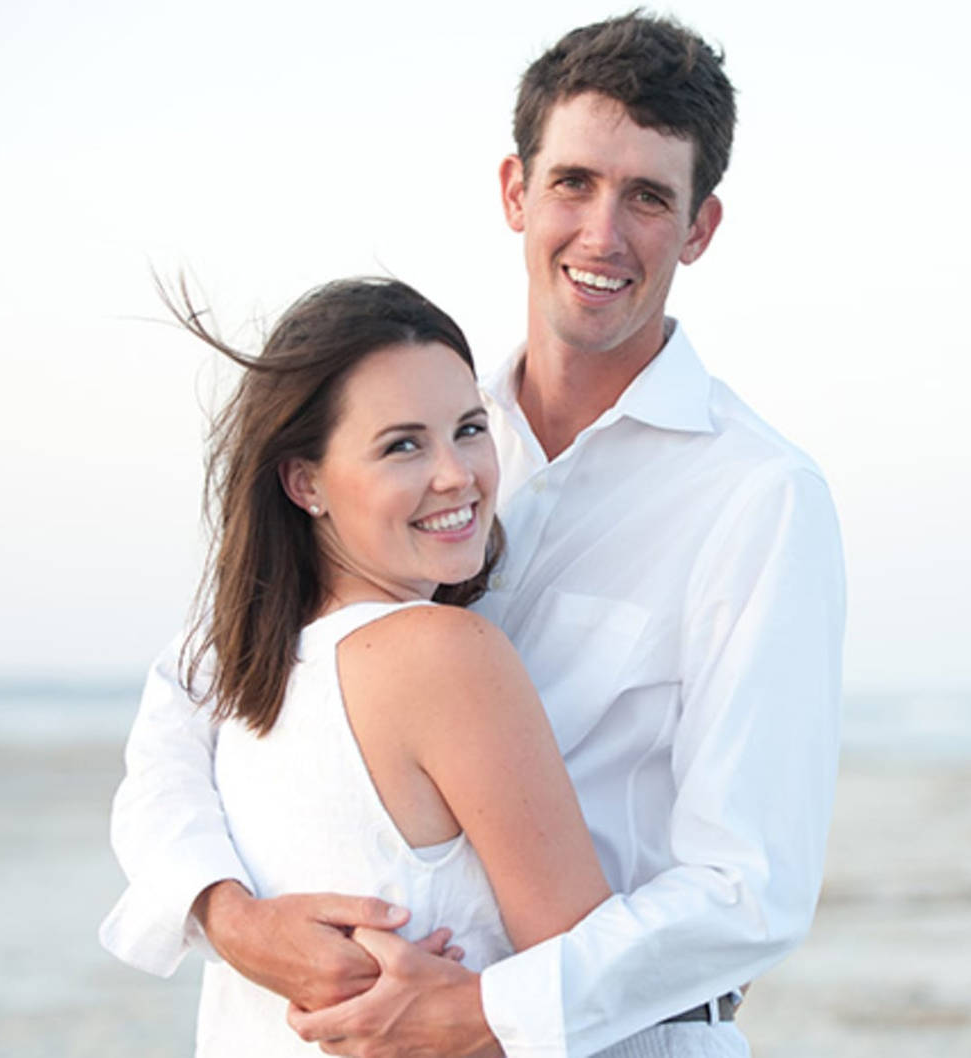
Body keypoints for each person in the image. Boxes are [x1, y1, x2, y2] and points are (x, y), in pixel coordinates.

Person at [101, 14, 846, 1058]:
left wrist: (483, 1014)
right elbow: (189, 697)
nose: (603, 234)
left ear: (700, 227)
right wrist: (229, 915)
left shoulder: (756, 496)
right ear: (516, 191)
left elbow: (749, 888)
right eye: (575, 182)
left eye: (648, 197)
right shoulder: (422, 419)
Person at [154, 275, 614, 1056]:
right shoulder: (442, 654)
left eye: (469, 428)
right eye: (403, 445)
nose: (456, 474)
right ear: (306, 483)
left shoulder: (242, 674)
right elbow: (588, 984)